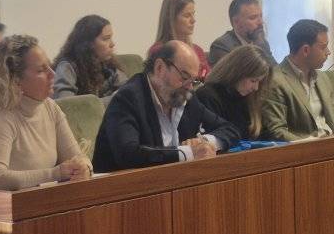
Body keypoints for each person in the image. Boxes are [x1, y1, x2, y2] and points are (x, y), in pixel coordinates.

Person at [93, 40, 239, 172]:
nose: (189, 87)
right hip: (124, 188)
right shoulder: (128, 98)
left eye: (193, 81)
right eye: (184, 77)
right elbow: (128, 154)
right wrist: (188, 152)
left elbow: (230, 129)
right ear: (160, 68)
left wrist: (204, 143)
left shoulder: (185, 96)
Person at [0, 34, 92, 191]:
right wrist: (56, 173)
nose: (53, 74)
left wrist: (84, 168)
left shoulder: (50, 107)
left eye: (50, 66)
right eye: (41, 70)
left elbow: (77, 157)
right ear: (15, 79)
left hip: (39, 201)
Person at [261, 19, 334, 141]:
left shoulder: (323, 78)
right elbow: (277, 131)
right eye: (323, 47)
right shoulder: (274, 81)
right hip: (305, 148)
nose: (328, 52)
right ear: (305, 50)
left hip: (333, 145)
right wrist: (311, 145)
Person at [196, 45, 271, 140]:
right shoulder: (207, 96)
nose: (256, 88)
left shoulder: (250, 98)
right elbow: (210, 140)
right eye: (253, 81)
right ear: (237, 73)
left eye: (259, 82)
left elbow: (267, 136)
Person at [52, 15, 127, 105]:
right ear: (88, 44)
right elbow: (67, 104)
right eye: (106, 39)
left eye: (111, 38)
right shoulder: (67, 67)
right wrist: (114, 99)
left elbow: (128, 92)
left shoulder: (109, 64)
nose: (112, 44)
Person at [147, 0, 210, 79]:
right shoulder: (158, 51)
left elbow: (208, 79)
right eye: (187, 15)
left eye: (193, 14)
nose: (193, 20)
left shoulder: (197, 50)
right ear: (171, 19)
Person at [208, 0, 275, 66]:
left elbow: (275, 70)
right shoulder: (221, 46)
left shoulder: (262, 42)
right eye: (253, 18)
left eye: (261, 16)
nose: (260, 22)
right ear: (236, 22)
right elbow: (239, 72)